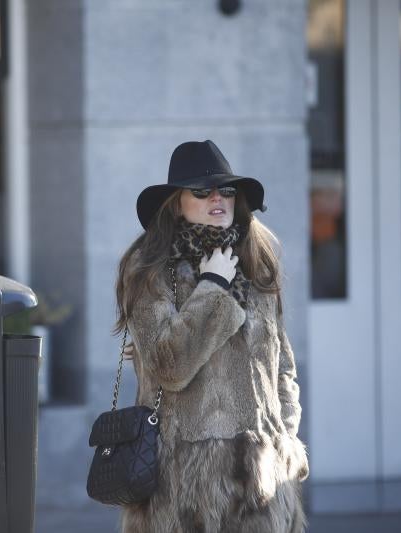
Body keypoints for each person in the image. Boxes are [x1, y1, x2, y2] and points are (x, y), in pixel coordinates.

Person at [115, 140, 308, 532]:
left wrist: (285, 438)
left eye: (227, 190)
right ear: (176, 202)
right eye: (202, 191)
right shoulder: (150, 270)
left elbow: (282, 366)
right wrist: (213, 285)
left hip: (262, 490)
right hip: (185, 495)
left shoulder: (256, 264)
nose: (217, 198)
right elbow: (170, 367)